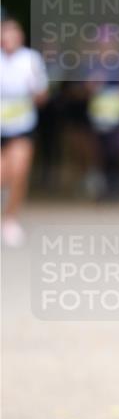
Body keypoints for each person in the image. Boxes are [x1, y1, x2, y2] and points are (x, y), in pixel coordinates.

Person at [0, 16, 49, 247]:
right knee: (2, 175)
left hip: (22, 127)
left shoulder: (31, 60)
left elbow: (42, 97)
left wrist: (35, 89)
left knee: (18, 172)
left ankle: (10, 220)